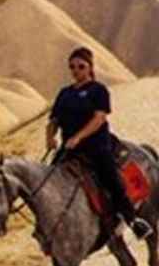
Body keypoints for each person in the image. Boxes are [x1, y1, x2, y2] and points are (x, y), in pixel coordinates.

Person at [47, 47, 153, 241]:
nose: (76, 71)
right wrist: (50, 137)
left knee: (110, 177)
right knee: (48, 180)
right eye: (72, 67)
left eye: (81, 66)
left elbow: (99, 118)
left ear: (90, 68)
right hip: (69, 147)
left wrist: (78, 137)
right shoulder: (64, 93)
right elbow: (54, 120)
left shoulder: (98, 90)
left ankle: (132, 220)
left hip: (96, 145)